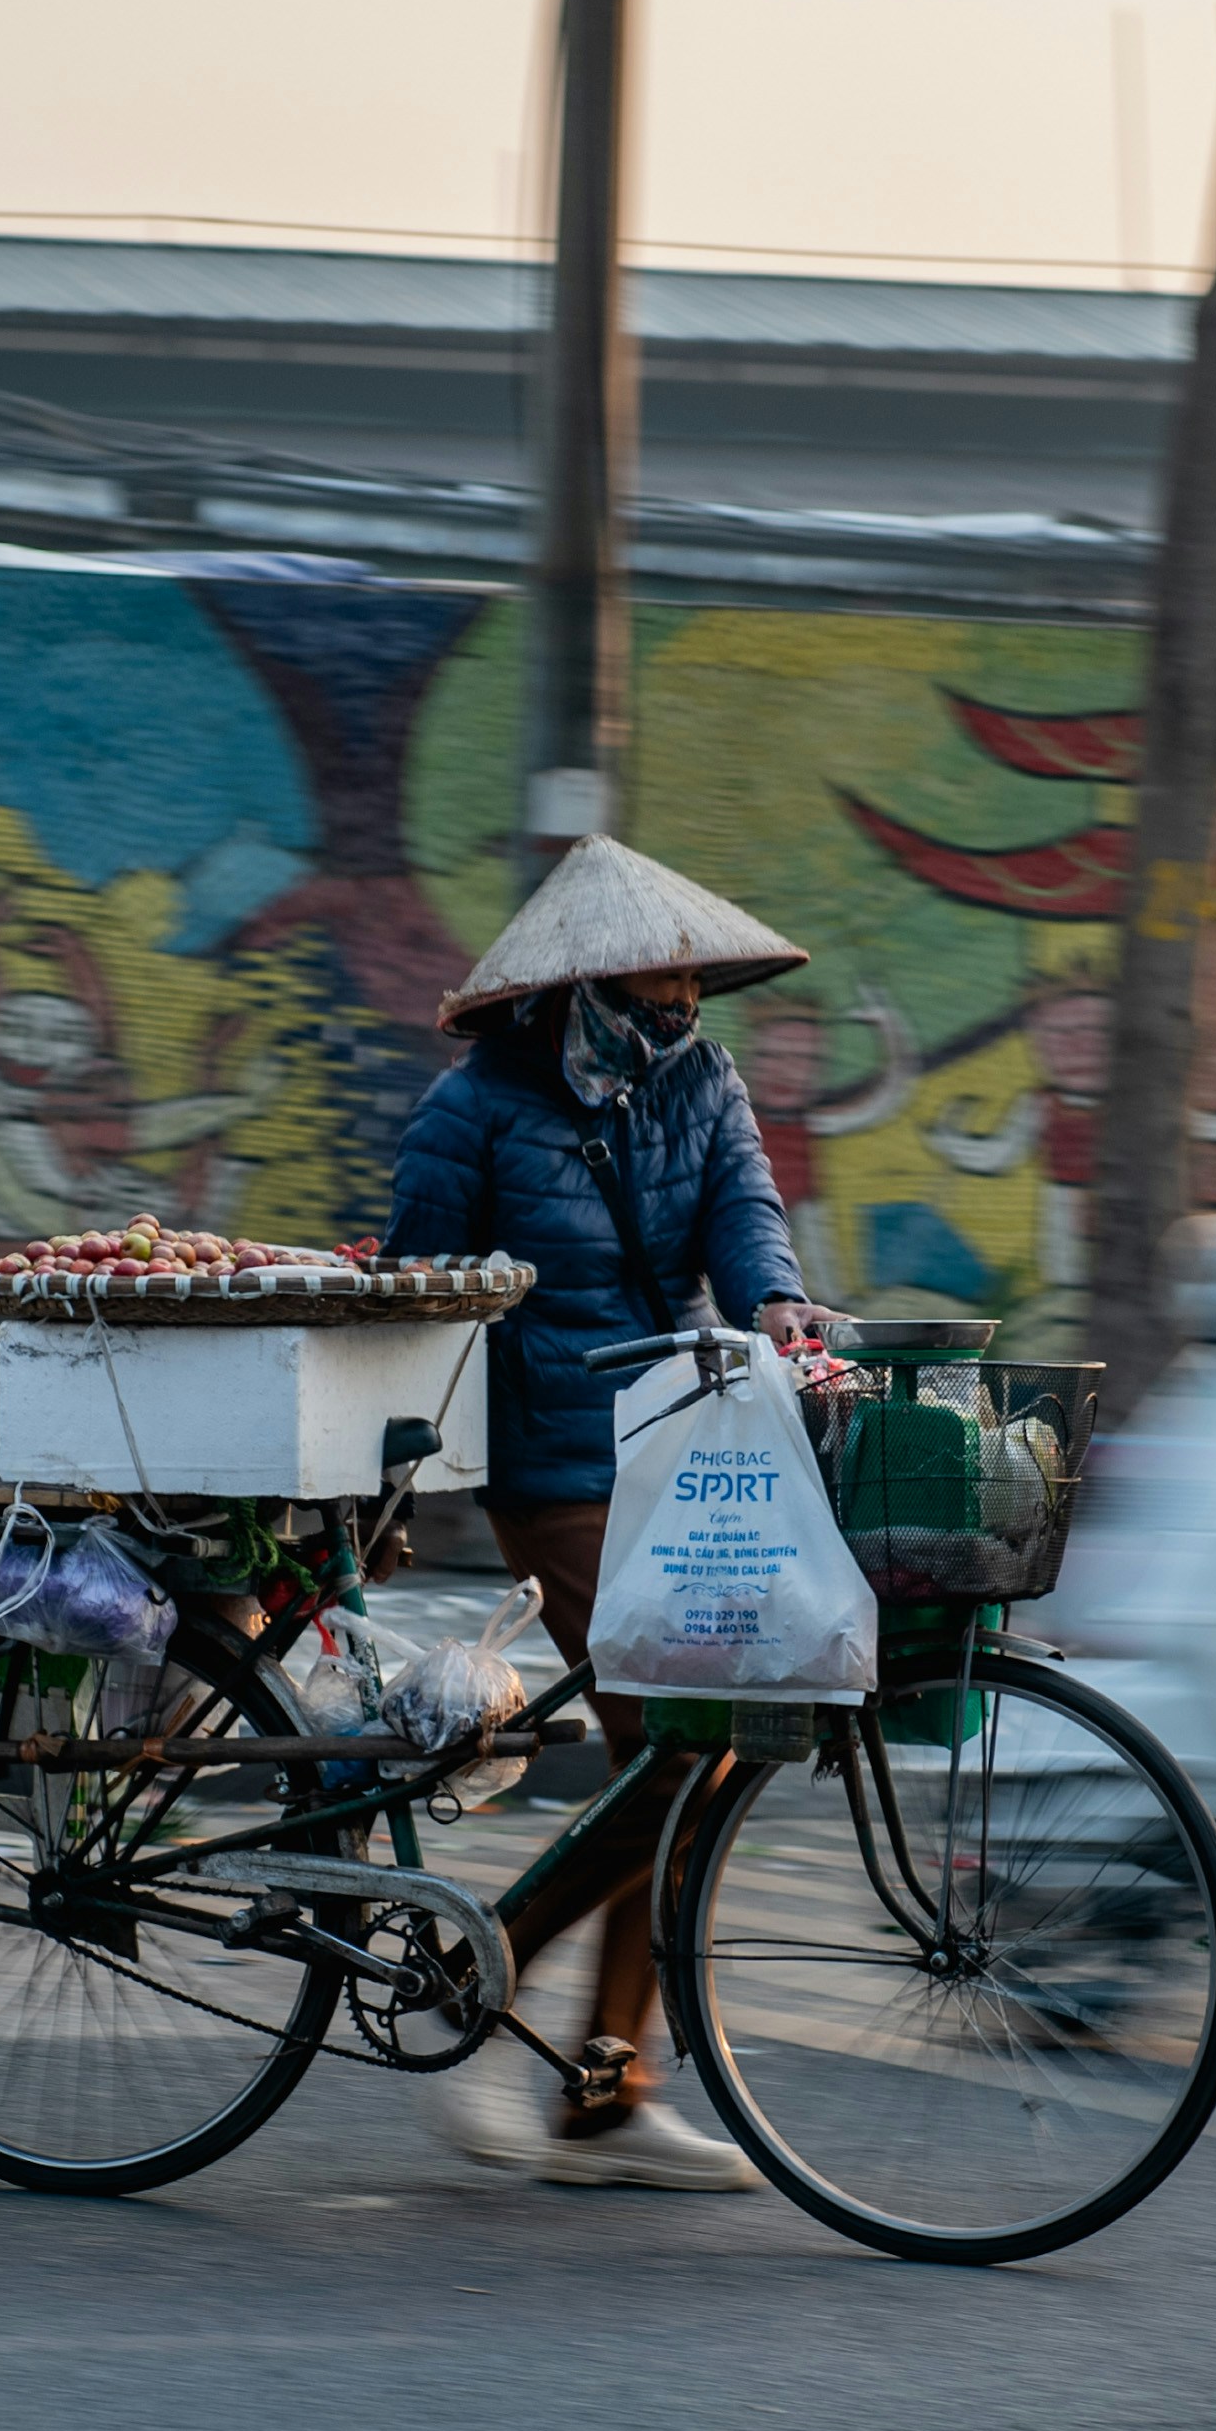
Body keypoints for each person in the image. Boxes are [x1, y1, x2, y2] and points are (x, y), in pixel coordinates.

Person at [386, 835, 820, 2192]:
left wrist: (775, 1298)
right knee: (672, 1742)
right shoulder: (476, 1108)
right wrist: (387, 1479)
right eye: (657, 973)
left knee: (699, 1749)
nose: (680, 998)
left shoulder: (701, 1081)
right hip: (551, 1457)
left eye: (692, 975)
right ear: (585, 978)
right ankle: (503, 1982)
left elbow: (745, 1210)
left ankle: (597, 2089)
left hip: (685, 1441)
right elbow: (415, 1287)